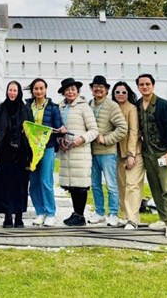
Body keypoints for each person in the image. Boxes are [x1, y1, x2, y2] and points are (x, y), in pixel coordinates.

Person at [136, 73, 167, 239]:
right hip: (147, 154)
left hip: (163, 153)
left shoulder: (162, 104)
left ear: (153, 86)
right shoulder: (138, 105)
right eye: (141, 84)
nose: (145, 87)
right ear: (138, 87)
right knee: (154, 187)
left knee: (166, 188)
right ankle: (162, 218)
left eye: (147, 84)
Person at [0, 80, 33, 227]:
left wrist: (31, 155)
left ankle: (19, 216)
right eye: (10, 90)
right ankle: (8, 216)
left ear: (19, 92)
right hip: (5, 153)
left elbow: (32, 132)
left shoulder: (26, 109)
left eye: (15, 90)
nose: (12, 93)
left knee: (21, 185)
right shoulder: (0, 108)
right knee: (5, 185)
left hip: (22, 153)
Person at [57, 77, 99, 226]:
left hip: (80, 151)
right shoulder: (60, 107)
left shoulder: (83, 107)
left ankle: (80, 215)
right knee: (72, 185)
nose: (70, 92)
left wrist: (81, 139)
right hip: (67, 151)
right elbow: (58, 128)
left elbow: (94, 130)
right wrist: (60, 141)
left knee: (80, 185)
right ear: (63, 92)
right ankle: (76, 213)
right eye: (67, 90)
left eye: (73, 89)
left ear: (78, 91)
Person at [87, 75, 128, 227]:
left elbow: (122, 128)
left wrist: (106, 139)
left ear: (107, 90)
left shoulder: (112, 106)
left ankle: (113, 213)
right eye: (95, 86)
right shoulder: (89, 104)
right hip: (91, 152)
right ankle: (99, 212)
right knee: (95, 184)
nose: (98, 89)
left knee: (111, 185)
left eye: (101, 87)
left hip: (108, 153)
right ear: (91, 89)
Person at [26, 77, 65, 226]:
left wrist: (61, 130)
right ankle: (40, 212)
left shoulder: (53, 107)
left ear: (46, 90)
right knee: (34, 182)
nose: (39, 91)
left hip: (47, 147)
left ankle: (50, 212)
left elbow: (58, 126)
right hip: (31, 149)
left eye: (41, 88)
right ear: (32, 91)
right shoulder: (27, 106)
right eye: (36, 89)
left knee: (46, 180)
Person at [112, 80, 143, 230]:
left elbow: (134, 132)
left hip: (132, 153)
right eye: (117, 92)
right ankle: (124, 215)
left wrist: (131, 154)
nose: (120, 94)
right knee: (122, 186)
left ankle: (133, 219)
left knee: (132, 185)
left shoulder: (131, 108)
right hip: (117, 153)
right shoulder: (113, 108)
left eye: (123, 92)